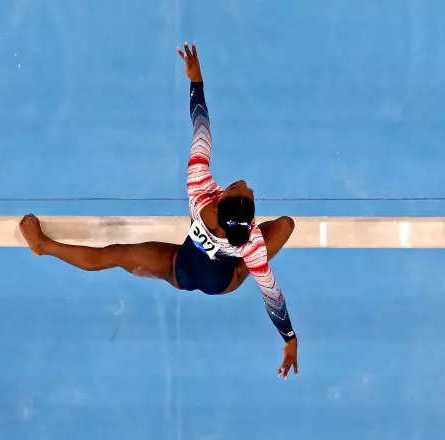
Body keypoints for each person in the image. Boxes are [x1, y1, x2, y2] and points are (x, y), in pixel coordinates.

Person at [19, 43, 299, 379]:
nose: (247, 184)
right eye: (247, 191)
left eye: (243, 189)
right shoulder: (251, 242)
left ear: (222, 196)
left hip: (182, 269)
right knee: (285, 226)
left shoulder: (199, 188)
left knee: (118, 255)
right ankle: (43, 246)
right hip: (224, 281)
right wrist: (289, 339)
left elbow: (201, 127)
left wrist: (196, 81)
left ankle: (42, 246)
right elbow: (271, 293)